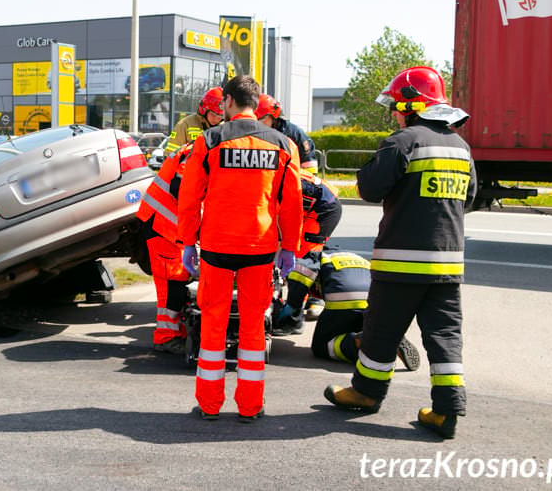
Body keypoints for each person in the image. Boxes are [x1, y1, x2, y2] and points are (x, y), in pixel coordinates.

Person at [323, 66, 476, 440]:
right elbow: (469, 198)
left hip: (401, 263)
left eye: (396, 104)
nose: (393, 111)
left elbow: (372, 189)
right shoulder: (460, 146)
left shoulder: (404, 140)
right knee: (445, 335)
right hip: (447, 264)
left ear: (412, 104)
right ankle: (446, 410)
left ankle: (366, 392)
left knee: (380, 331)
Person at [177, 75, 303, 422]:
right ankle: (250, 407)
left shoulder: (209, 141)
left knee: (213, 324)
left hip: (217, 245)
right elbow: (291, 204)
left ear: (229, 102)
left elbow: (190, 199)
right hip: (260, 247)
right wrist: (289, 246)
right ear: (257, 103)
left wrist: (188, 242)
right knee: (252, 327)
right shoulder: (282, 144)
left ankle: (209, 405)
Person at [308, 249, 420, 372]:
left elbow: (299, 282)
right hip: (373, 299)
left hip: (344, 299)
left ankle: (359, 341)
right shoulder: (354, 258)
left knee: (321, 346)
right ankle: (386, 339)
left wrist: (293, 311)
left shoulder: (312, 257)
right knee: (359, 329)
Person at [135, 142, 194, 354]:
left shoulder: (198, 148)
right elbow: (180, 187)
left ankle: (175, 332)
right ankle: (166, 338)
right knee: (172, 285)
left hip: (164, 223)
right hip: (162, 224)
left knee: (176, 282)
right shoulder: (198, 152)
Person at [273, 169, 342, 335]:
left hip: (323, 209)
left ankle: (292, 317)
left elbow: (290, 217)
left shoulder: (282, 183)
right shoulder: (270, 177)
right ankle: (292, 307)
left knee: (303, 261)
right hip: (310, 203)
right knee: (289, 255)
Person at [255, 93, 318, 173]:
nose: (256, 124)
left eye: (260, 119)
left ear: (273, 116)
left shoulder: (295, 134)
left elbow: (309, 167)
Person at [164, 87, 223, 156]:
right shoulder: (185, 125)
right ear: (204, 110)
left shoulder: (227, 128)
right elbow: (170, 156)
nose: (217, 118)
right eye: (213, 114)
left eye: (221, 115)